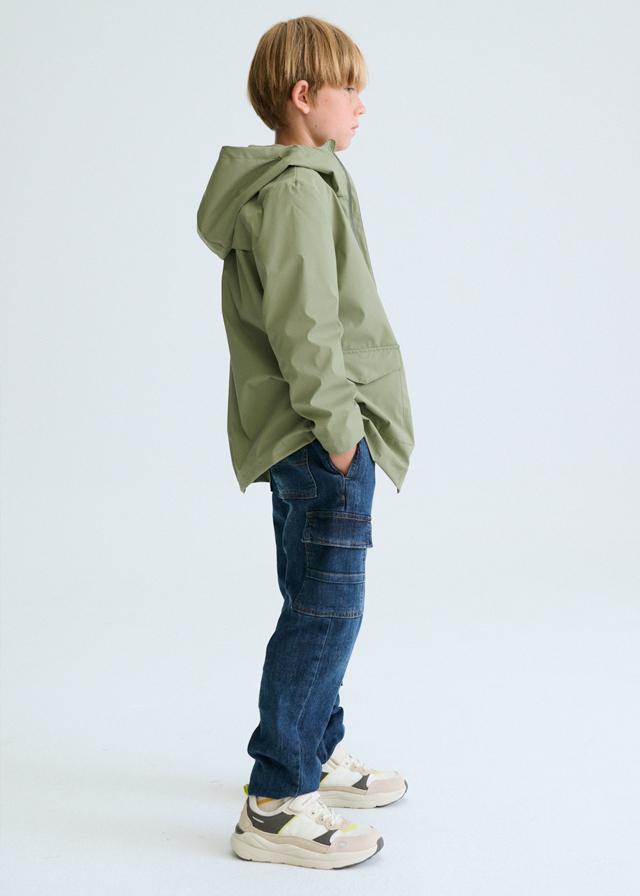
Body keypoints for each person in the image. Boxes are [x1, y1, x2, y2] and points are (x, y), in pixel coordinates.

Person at [196, 15, 415, 870]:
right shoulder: (294, 191)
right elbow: (306, 326)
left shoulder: (307, 181)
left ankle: (314, 751)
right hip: (320, 434)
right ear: (302, 95)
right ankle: (278, 799)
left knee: (315, 600)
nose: (361, 105)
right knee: (326, 611)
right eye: (348, 88)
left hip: (309, 434)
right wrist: (341, 434)